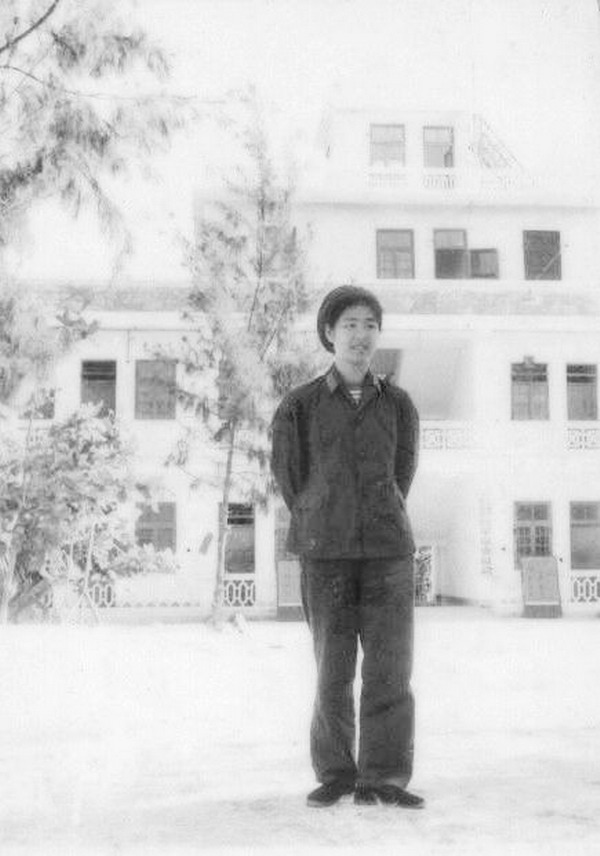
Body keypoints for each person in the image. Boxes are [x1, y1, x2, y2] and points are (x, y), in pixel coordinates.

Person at [271, 285, 423, 809]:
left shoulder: (398, 404)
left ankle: (384, 777)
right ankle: (336, 773)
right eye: (350, 325)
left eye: (370, 325)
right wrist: (324, 515)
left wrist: (377, 512)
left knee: (390, 668)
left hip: (387, 553)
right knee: (332, 669)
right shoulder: (300, 405)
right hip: (326, 554)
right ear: (329, 334)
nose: (361, 335)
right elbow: (290, 477)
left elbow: (402, 472)